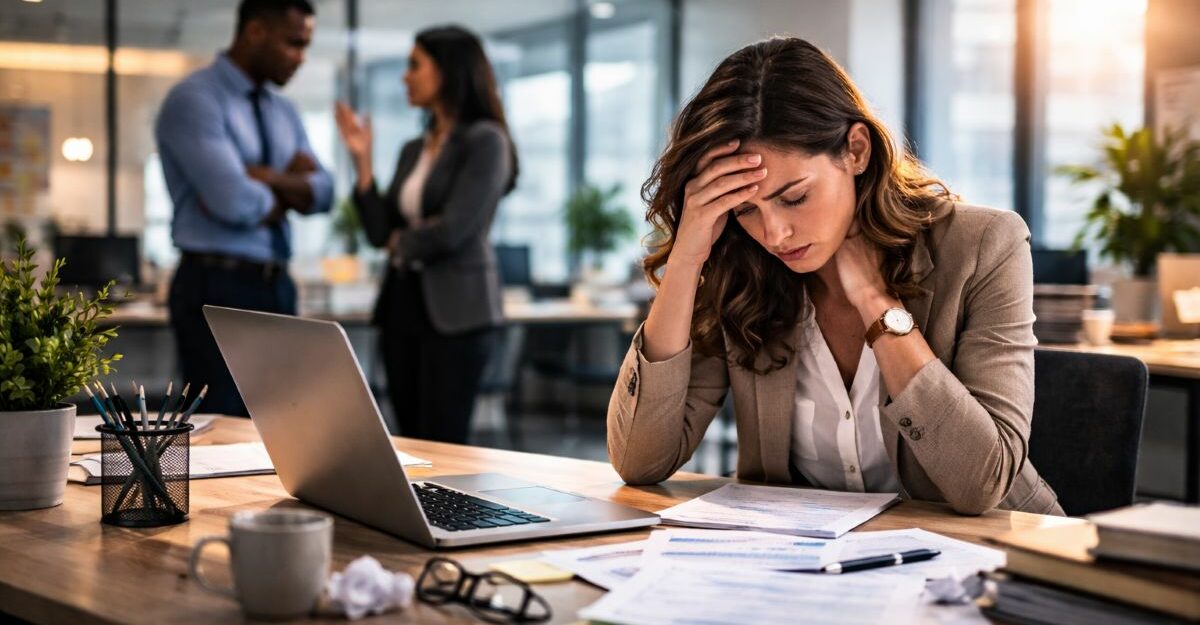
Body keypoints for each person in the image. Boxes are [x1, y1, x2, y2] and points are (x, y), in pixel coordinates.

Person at [607, 37, 1063, 516]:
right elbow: (640, 461)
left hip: (992, 557)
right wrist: (686, 259)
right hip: (810, 568)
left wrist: (877, 304)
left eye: (794, 197)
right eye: (744, 209)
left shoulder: (983, 245)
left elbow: (982, 482)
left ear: (857, 150)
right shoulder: (743, 267)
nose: (774, 233)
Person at [334, 25, 517, 443]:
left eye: (415, 65)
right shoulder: (412, 149)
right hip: (402, 302)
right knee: (409, 439)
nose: (405, 76)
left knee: (444, 441)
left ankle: (449, 512)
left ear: (448, 71)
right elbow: (381, 234)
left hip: (458, 312)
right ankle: (413, 511)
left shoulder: (486, 141)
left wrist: (404, 240)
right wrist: (363, 164)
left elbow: (455, 229)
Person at [155, 0, 333, 417]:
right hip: (216, 284)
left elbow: (324, 192)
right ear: (255, 32)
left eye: (306, 45)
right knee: (223, 422)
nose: (300, 58)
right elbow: (233, 200)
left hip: (277, 284)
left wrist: (262, 177)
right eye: (293, 43)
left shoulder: (284, 111)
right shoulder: (195, 99)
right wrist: (288, 186)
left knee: (283, 421)